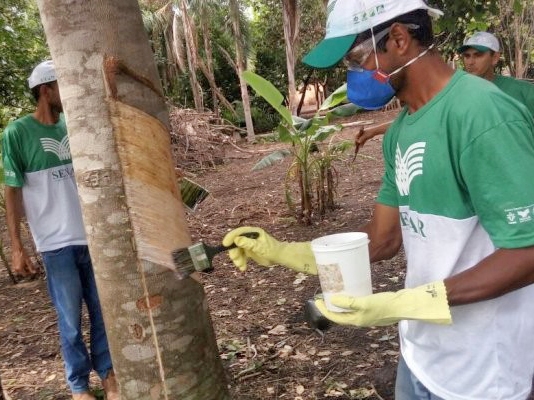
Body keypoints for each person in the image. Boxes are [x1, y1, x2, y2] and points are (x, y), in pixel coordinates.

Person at [222, 1, 534, 399]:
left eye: (356, 57)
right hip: (421, 355)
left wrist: (406, 302)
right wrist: (282, 251)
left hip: (482, 373)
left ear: (399, 39)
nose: (353, 72)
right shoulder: (403, 128)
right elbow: (383, 240)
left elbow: (527, 253)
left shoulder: (482, 114)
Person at [2, 61, 119, 400]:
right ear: (45, 90)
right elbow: (11, 192)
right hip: (55, 241)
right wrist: (17, 246)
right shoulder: (17, 133)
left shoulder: (75, 125)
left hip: (94, 235)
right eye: (61, 86)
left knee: (102, 312)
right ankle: (78, 385)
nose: (68, 93)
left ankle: (108, 374)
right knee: (70, 319)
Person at [459, 31, 534, 117]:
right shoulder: (457, 93)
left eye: (478, 55)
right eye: (467, 56)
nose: (470, 62)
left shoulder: (524, 91)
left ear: (495, 58)